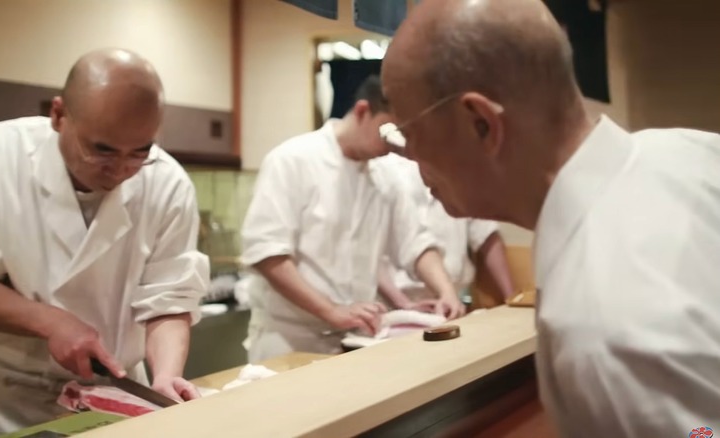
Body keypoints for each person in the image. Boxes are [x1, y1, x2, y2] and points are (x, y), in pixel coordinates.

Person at [381, 0, 720, 437]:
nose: (410, 157)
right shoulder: (691, 152)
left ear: (481, 124)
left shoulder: (603, 333)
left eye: (410, 132)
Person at [0, 48, 209, 437]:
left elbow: (170, 300)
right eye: (102, 149)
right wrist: (52, 322)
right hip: (4, 399)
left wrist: (166, 377)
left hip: (116, 397)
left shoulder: (168, 183)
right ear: (59, 114)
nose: (120, 170)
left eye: (140, 151)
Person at [240, 76, 463, 362]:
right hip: (289, 339)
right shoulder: (292, 159)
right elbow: (267, 253)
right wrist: (332, 310)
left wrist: (446, 291)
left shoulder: (386, 177)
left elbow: (416, 243)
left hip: (357, 337)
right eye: (389, 131)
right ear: (362, 111)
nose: (394, 144)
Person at [375, 154, 515, 309]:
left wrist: (511, 297)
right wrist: (404, 304)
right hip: (400, 305)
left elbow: (486, 235)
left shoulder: (460, 163)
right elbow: (372, 252)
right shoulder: (382, 169)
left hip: (455, 301)